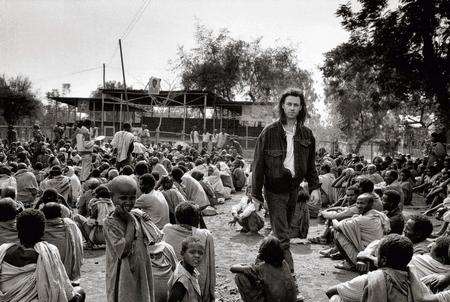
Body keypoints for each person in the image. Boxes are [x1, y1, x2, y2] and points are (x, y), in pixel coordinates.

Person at [252, 89, 321, 278]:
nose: (292, 108)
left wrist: (314, 187)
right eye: (289, 104)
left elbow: (310, 165)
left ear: (301, 108)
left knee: (280, 232)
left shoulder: (307, 135)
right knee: (283, 238)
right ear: (282, 105)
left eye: (296, 105)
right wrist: (256, 195)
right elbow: (257, 165)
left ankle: (257, 264)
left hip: (293, 189)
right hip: (273, 189)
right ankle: (290, 278)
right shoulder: (269, 131)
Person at [0, 209, 85, 301]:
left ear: (17, 230)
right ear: (43, 231)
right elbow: (63, 287)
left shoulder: (3, 250)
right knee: (80, 291)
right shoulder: (49, 251)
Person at [326, 234, 430, 302]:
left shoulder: (370, 279)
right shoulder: (418, 284)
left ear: (383, 260)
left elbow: (330, 291)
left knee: (336, 297)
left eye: (377, 255)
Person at [104, 175, 156, 302]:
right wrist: (129, 221)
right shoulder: (110, 222)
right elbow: (123, 250)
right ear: (112, 197)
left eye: (132, 198)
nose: (128, 202)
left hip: (140, 268)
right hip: (122, 272)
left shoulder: (136, 216)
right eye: (123, 198)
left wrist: (132, 218)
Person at [163, 201, 215, 302]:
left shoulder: (167, 229)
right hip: (191, 282)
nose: (197, 255)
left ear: (177, 219)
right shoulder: (205, 235)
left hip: (173, 278)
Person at [332, 193, 390, 271]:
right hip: (374, 251)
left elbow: (337, 227)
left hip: (367, 254)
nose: (359, 206)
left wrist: (333, 218)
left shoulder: (364, 219)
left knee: (337, 232)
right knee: (346, 230)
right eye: (358, 203)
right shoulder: (377, 214)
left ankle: (351, 264)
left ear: (370, 204)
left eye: (362, 203)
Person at [230, 235, 297, 302]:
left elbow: (232, 268)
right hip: (291, 299)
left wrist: (245, 268)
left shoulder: (261, 267)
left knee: (240, 277)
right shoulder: (284, 264)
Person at [41, 202, 84, 282]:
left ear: (43, 214)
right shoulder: (70, 224)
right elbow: (78, 245)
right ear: (61, 213)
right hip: (68, 271)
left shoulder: (40, 226)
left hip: (48, 274)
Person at [167, 236, 204, 302]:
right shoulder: (182, 281)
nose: (197, 256)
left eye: (200, 253)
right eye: (192, 252)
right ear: (182, 253)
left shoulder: (190, 271)